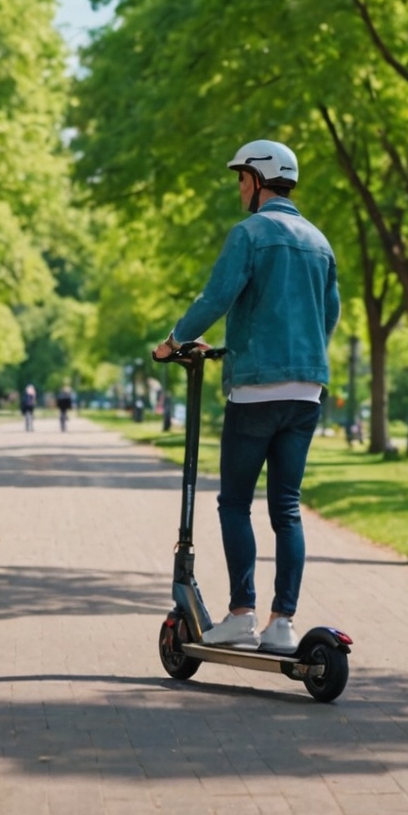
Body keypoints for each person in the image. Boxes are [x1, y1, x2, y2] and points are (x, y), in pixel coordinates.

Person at [154, 139, 339, 654]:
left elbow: (216, 296)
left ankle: (242, 614)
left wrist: (175, 342)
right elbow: (329, 316)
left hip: (257, 389)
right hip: (306, 389)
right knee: (287, 507)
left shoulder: (251, 233)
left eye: (241, 179)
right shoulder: (319, 241)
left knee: (235, 502)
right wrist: (301, 359)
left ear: (257, 180)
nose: (239, 189)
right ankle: (283, 624)